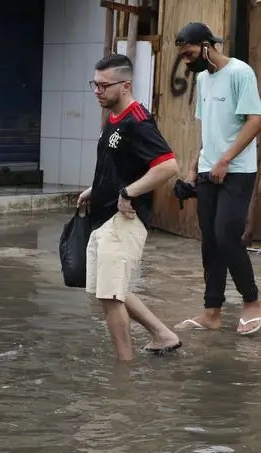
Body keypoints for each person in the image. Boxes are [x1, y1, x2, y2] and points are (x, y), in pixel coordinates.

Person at [76, 54, 182, 361]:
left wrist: (128, 192)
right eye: (95, 84)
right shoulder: (114, 118)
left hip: (125, 219)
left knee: (110, 296)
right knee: (109, 291)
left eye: (104, 85)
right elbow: (120, 166)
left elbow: (168, 166)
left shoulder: (138, 121)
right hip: (105, 216)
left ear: (126, 85)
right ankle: (163, 335)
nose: (97, 91)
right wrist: (96, 189)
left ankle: (123, 370)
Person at [173, 22, 261, 335]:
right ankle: (212, 312)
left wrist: (225, 159)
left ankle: (252, 303)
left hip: (237, 171)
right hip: (208, 170)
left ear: (207, 46)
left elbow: (255, 121)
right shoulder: (202, 79)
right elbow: (207, 128)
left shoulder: (240, 72)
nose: (186, 60)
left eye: (189, 53)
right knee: (210, 241)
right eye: (183, 55)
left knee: (226, 235)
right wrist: (193, 167)